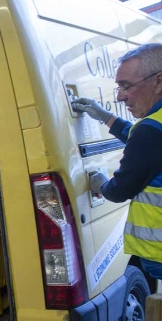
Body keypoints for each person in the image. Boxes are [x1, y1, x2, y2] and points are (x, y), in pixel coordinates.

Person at [73, 43, 162, 279]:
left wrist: (100, 184)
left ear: (159, 81)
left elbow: (119, 190)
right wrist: (106, 117)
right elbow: (148, 147)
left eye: (126, 86)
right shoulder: (154, 128)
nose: (120, 97)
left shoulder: (151, 131)